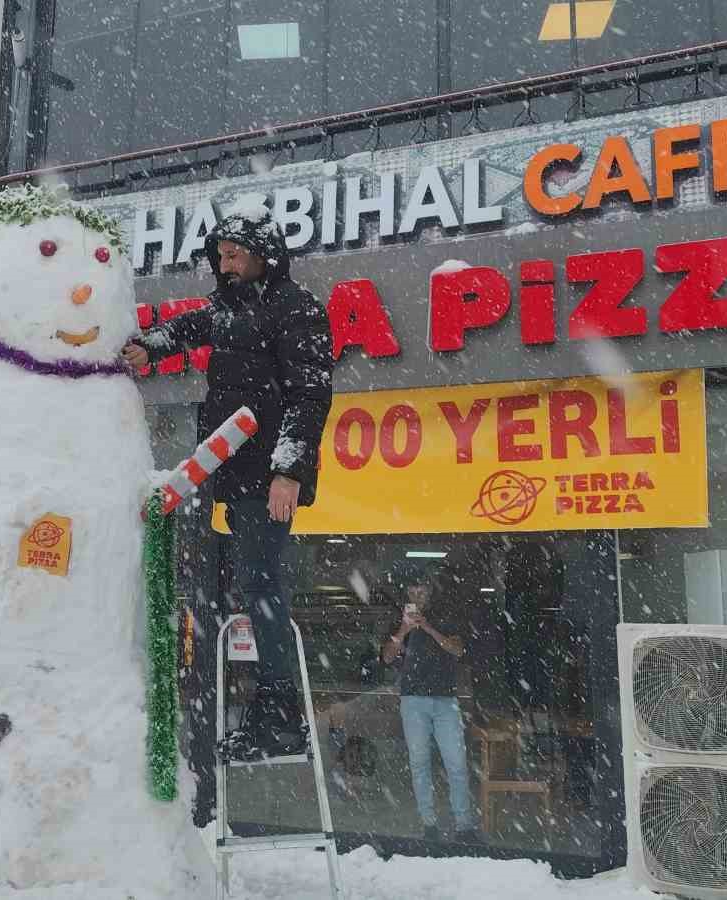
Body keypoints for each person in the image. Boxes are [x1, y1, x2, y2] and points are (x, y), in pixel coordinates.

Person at [123, 206, 334, 762]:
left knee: (260, 584)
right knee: (247, 584)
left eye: (234, 254)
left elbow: (309, 396)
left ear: (265, 254)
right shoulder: (228, 307)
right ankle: (268, 709)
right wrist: (152, 345)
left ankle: (281, 715)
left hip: (268, 477)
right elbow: (191, 325)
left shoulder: (297, 309)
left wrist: (288, 471)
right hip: (233, 474)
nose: (225, 264)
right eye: (220, 256)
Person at [382, 581, 479, 844]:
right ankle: (429, 824)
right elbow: (388, 657)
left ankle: (464, 826)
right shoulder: (398, 620)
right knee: (419, 763)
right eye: (412, 592)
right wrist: (404, 629)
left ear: (431, 593)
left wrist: (426, 627)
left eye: (422, 591)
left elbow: (457, 649)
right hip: (413, 700)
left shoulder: (446, 616)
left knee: (457, 762)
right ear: (407, 594)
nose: (417, 596)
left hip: (445, 700)